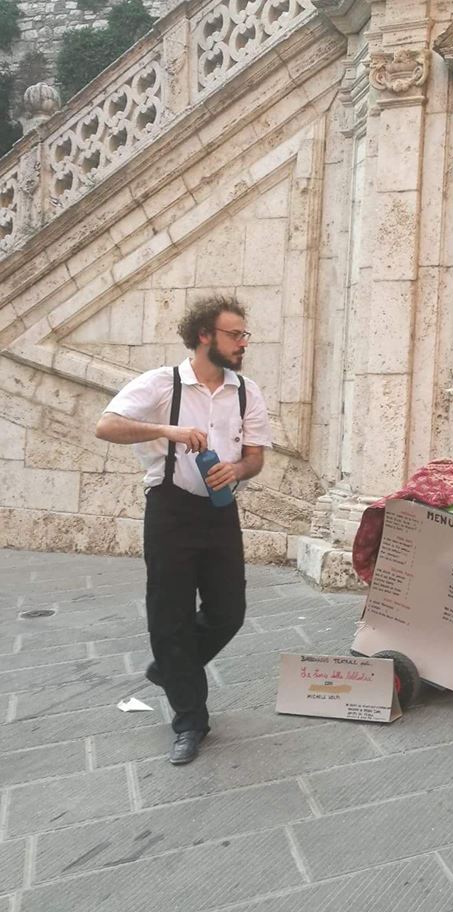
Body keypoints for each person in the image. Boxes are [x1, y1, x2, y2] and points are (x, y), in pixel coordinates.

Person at [95, 295, 272, 764]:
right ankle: (190, 721)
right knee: (170, 616)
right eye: (236, 334)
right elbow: (106, 425)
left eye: (244, 335)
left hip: (219, 512)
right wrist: (168, 432)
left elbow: (255, 457)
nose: (243, 343)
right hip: (169, 510)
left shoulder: (246, 391)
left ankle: (170, 668)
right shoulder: (162, 384)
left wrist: (236, 470)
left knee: (228, 612)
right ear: (204, 336)